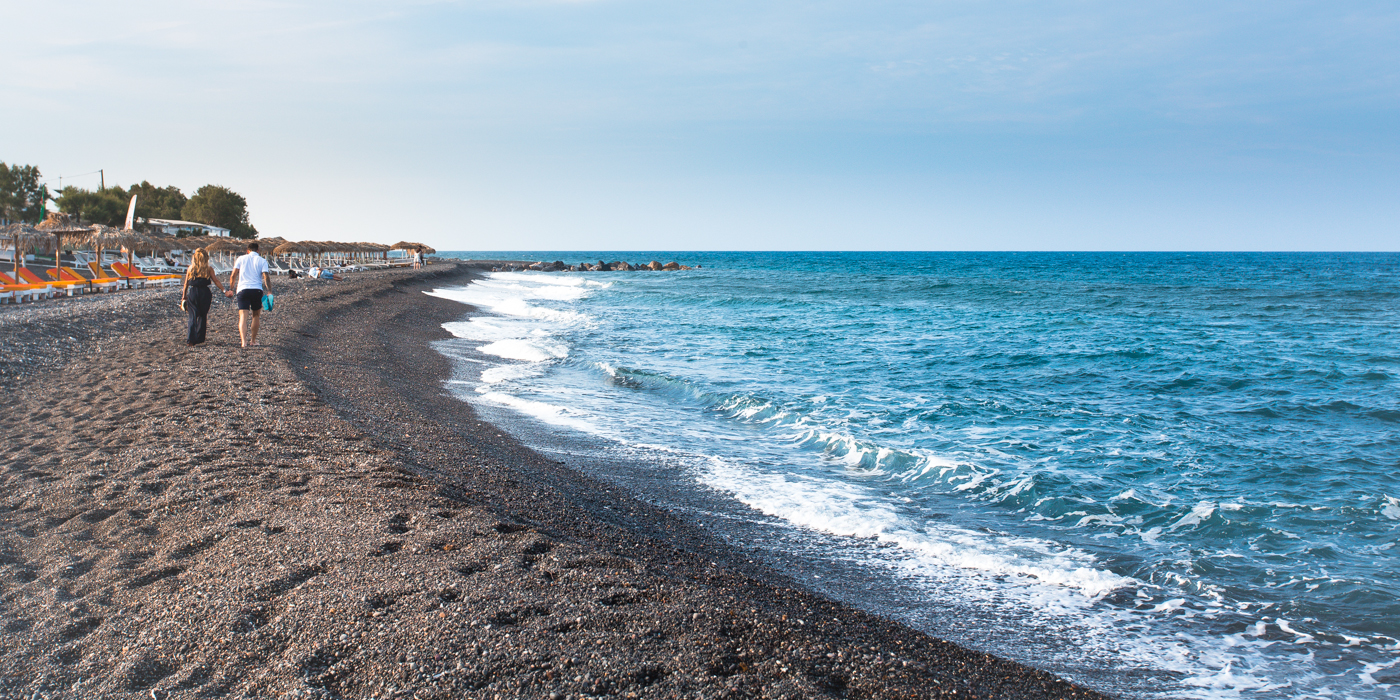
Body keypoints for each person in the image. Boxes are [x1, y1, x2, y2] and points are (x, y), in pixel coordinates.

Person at [226, 241, 272, 348]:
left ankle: (243, 342)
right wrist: (269, 291)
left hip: (243, 290)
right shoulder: (262, 260)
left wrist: (231, 288)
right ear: (258, 250)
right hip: (257, 290)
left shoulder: (241, 259)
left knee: (243, 316)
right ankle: (253, 340)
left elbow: (233, 275)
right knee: (255, 316)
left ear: (247, 250)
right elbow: (266, 277)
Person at [180, 249, 227, 347]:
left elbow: (186, 284)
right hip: (205, 293)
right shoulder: (208, 269)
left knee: (192, 316)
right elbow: (216, 281)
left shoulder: (190, 268)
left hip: (193, 293)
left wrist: (184, 296)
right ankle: (200, 338)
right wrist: (224, 290)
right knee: (202, 315)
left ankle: (190, 340)